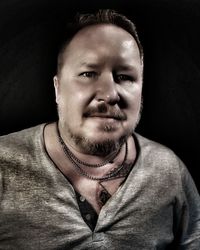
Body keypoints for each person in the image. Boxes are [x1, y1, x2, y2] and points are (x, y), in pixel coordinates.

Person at [0, 9, 199, 250]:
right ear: (57, 88)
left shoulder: (169, 171)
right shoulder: (4, 164)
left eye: (125, 76)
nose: (109, 94)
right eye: (88, 74)